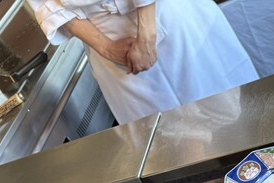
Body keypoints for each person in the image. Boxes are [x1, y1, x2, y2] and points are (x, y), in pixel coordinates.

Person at [27, 0, 260, 124]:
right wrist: (106, 47)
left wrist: (147, 35)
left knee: (231, 111)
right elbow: (46, 5)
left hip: (169, 16)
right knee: (165, 140)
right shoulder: (107, 49)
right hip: (108, 47)